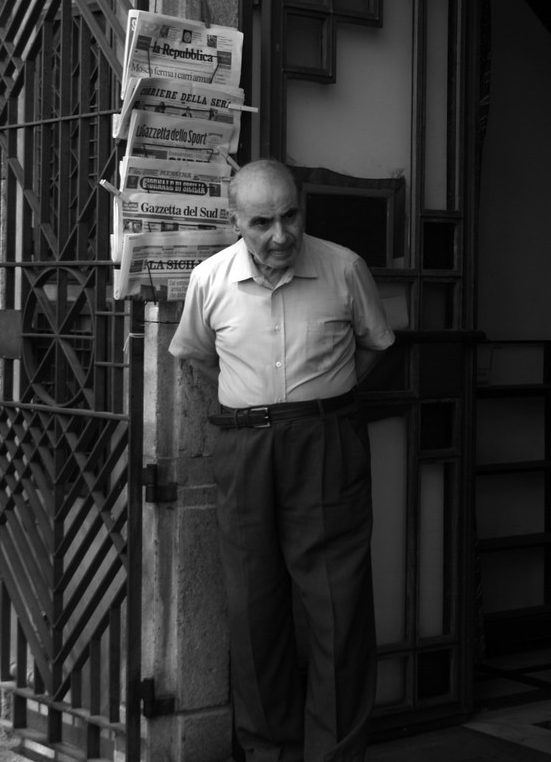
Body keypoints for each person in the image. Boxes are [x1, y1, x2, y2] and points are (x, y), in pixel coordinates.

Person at [169, 159, 395, 762]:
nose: (279, 235)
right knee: (252, 606)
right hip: (242, 446)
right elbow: (195, 355)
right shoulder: (209, 279)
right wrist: (253, 402)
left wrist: (320, 395)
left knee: (336, 605)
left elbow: (375, 345)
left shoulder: (343, 267)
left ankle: (335, 754)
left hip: (325, 440)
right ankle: (269, 751)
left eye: (289, 215)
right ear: (235, 221)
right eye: (261, 222)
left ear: (303, 209)